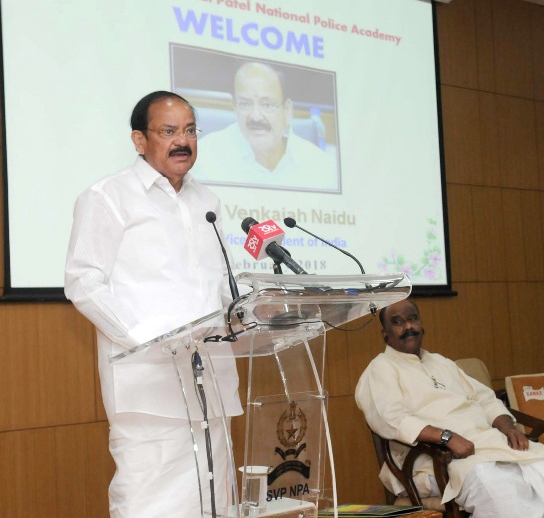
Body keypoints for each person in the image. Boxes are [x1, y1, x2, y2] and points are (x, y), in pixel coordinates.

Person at [64, 91, 243, 518]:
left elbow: (220, 285)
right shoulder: (108, 196)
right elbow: (83, 281)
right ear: (139, 140)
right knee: (151, 505)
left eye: (190, 130)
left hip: (211, 384)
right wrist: (147, 341)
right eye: (168, 131)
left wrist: (246, 311)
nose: (183, 141)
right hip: (149, 386)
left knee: (218, 505)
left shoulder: (208, 203)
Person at [355, 299, 544, 518]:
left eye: (413, 319)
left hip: (486, 445)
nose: (408, 327)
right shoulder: (380, 369)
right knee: (494, 478)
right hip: (433, 458)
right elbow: (391, 419)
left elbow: (485, 399)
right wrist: (447, 437)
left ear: (422, 325)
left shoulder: (440, 362)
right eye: (397, 322)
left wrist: (509, 428)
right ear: (385, 334)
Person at [192, 61, 339, 191]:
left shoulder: (323, 168)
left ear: (287, 110)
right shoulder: (205, 158)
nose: (256, 116)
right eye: (245, 104)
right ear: (234, 107)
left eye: (267, 104)